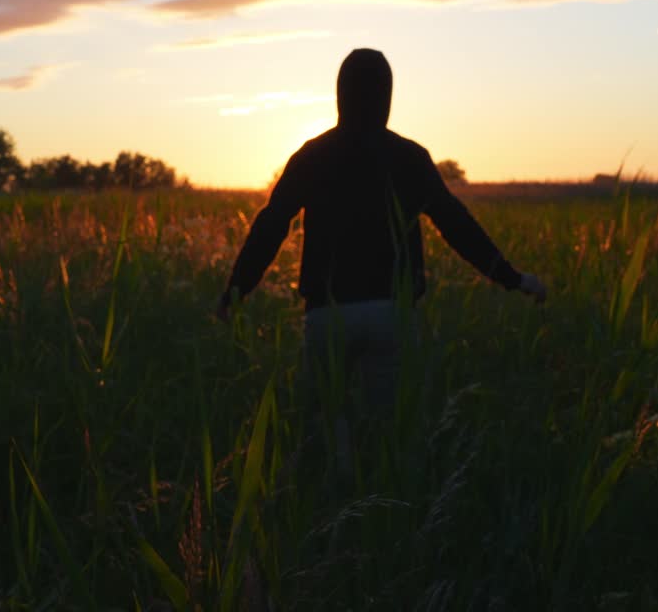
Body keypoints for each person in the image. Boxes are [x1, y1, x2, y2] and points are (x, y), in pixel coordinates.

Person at [215, 48, 546, 475]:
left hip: (327, 316)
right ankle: (383, 514)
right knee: (387, 438)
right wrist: (512, 278)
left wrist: (234, 292)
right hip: (393, 314)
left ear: (339, 95)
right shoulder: (410, 157)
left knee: (326, 434)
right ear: (388, 96)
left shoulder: (311, 156)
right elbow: (456, 225)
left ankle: (336, 516)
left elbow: (271, 225)